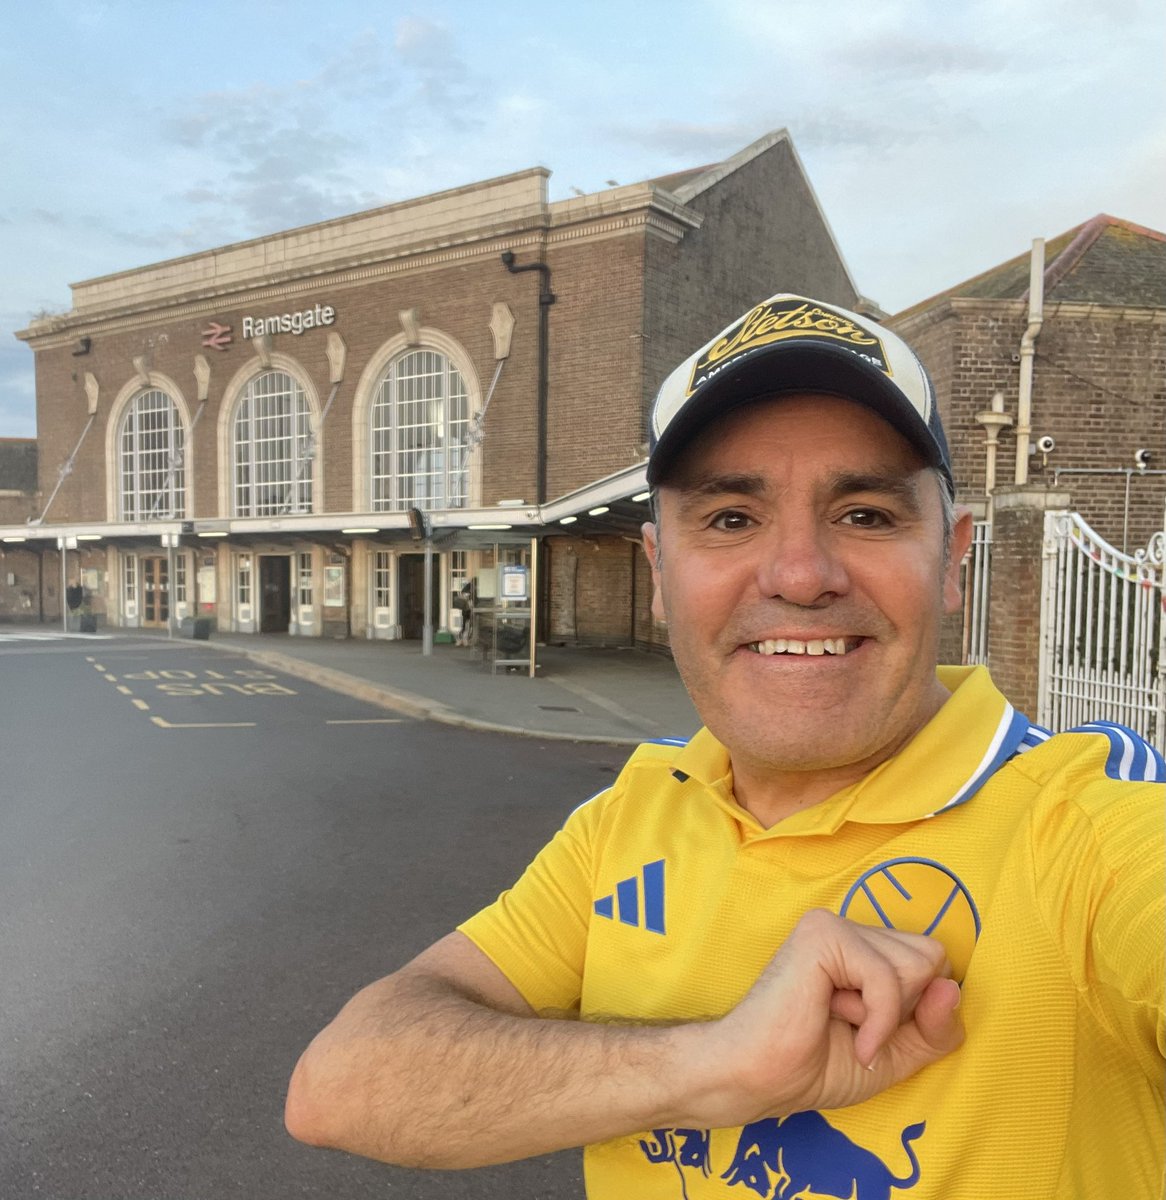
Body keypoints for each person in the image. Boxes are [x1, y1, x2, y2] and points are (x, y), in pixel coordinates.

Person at [285, 294, 1164, 1197]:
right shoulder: (633, 811)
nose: (798, 575)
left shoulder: (1092, 821)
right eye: (731, 519)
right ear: (661, 574)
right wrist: (715, 1068)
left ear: (953, 559)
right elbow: (341, 1084)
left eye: (864, 514)